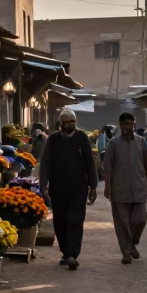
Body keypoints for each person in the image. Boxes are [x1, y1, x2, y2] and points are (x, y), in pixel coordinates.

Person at [39, 108, 98, 270]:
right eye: (67, 123)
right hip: (58, 188)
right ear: (61, 124)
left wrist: (93, 186)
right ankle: (66, 252)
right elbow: (46, 163)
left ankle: (72, 254)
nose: (70, 125)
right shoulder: (53, 140)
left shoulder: (82, 138)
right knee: (60, 222)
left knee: (76, 221)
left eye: (73, 122)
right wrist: (43, 186)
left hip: (79, 188)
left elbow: (89, 163)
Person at [102, 112, 147, 264]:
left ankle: (133, 242)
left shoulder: (141, 141)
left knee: (141, 219)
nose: (128, 127)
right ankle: (126, 252)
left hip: (139, 187)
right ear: (120, 125)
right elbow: (108, 167)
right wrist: (107, 187)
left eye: (131, 124)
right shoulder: (113, 143)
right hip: (119, 189)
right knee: (122, 223)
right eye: (125, 124)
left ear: (134, 125)